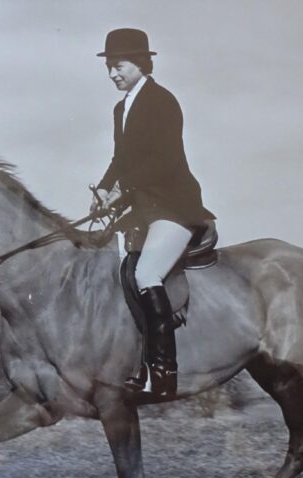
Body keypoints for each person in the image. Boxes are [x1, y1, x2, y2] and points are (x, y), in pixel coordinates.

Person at [93, 28, 216, 399]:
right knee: (118, 268)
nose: (112, 73)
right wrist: (104, 188)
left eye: (119, 66)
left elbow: (164, 160)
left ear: (140, 63)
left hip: (174, 203)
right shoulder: (121, 108)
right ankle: (138, 363)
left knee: (147, 272)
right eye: (109, 67)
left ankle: (164, 372)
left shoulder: (162, 101)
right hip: (143, 206)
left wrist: (122, 193)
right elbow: (120, 159)